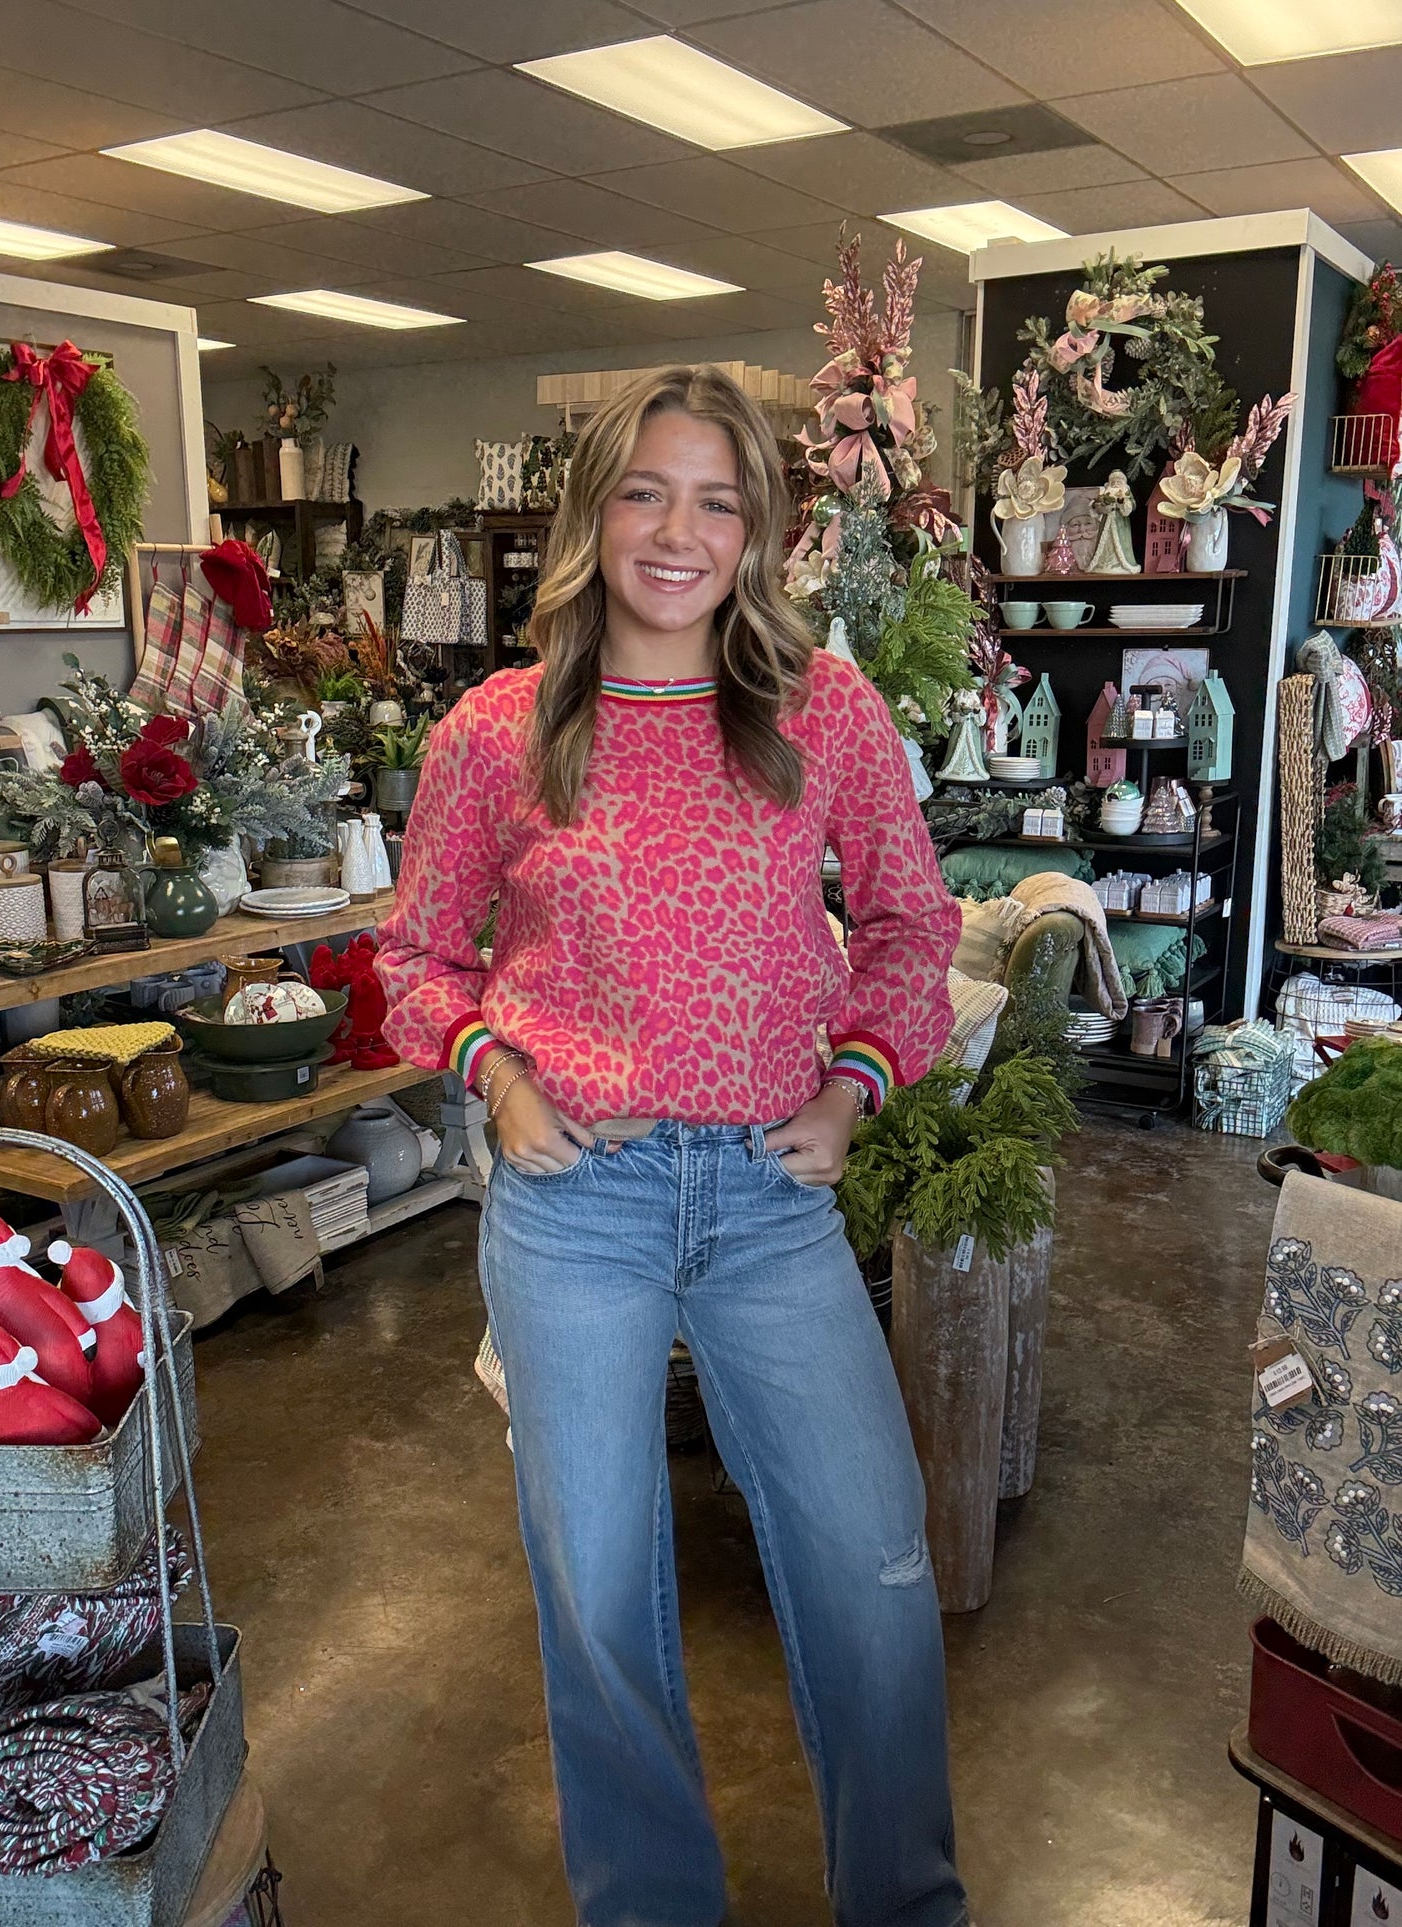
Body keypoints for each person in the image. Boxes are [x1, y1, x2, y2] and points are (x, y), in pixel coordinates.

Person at [377, 365, 968, 1927]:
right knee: (598, 1593)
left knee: (874, 1573)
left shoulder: (820, 711)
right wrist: (496, 1080)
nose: (677, 530)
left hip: (773, 1201)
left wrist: (849, 1093)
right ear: (592, 513)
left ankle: (906, 1906)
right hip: (578, 1207)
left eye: (717, 499)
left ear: (761, 528)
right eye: (644, 490)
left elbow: (912, 928)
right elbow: (416, 957)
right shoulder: (496, 732)